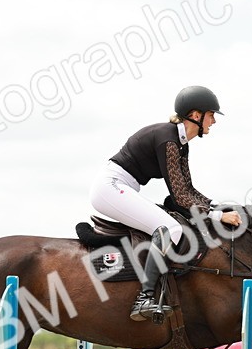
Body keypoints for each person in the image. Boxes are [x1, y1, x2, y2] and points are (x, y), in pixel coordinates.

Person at [90, 85, 243, 321]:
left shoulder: (181, 144)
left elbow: (188, 189)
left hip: (122, 187)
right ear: (195, 115)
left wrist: (216, 206)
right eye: (211, 115)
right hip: (110, 188)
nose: (214, 121)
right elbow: (180, 198)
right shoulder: (168, 140)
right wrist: (217, 216)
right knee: (170, 228)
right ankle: (144, 298)